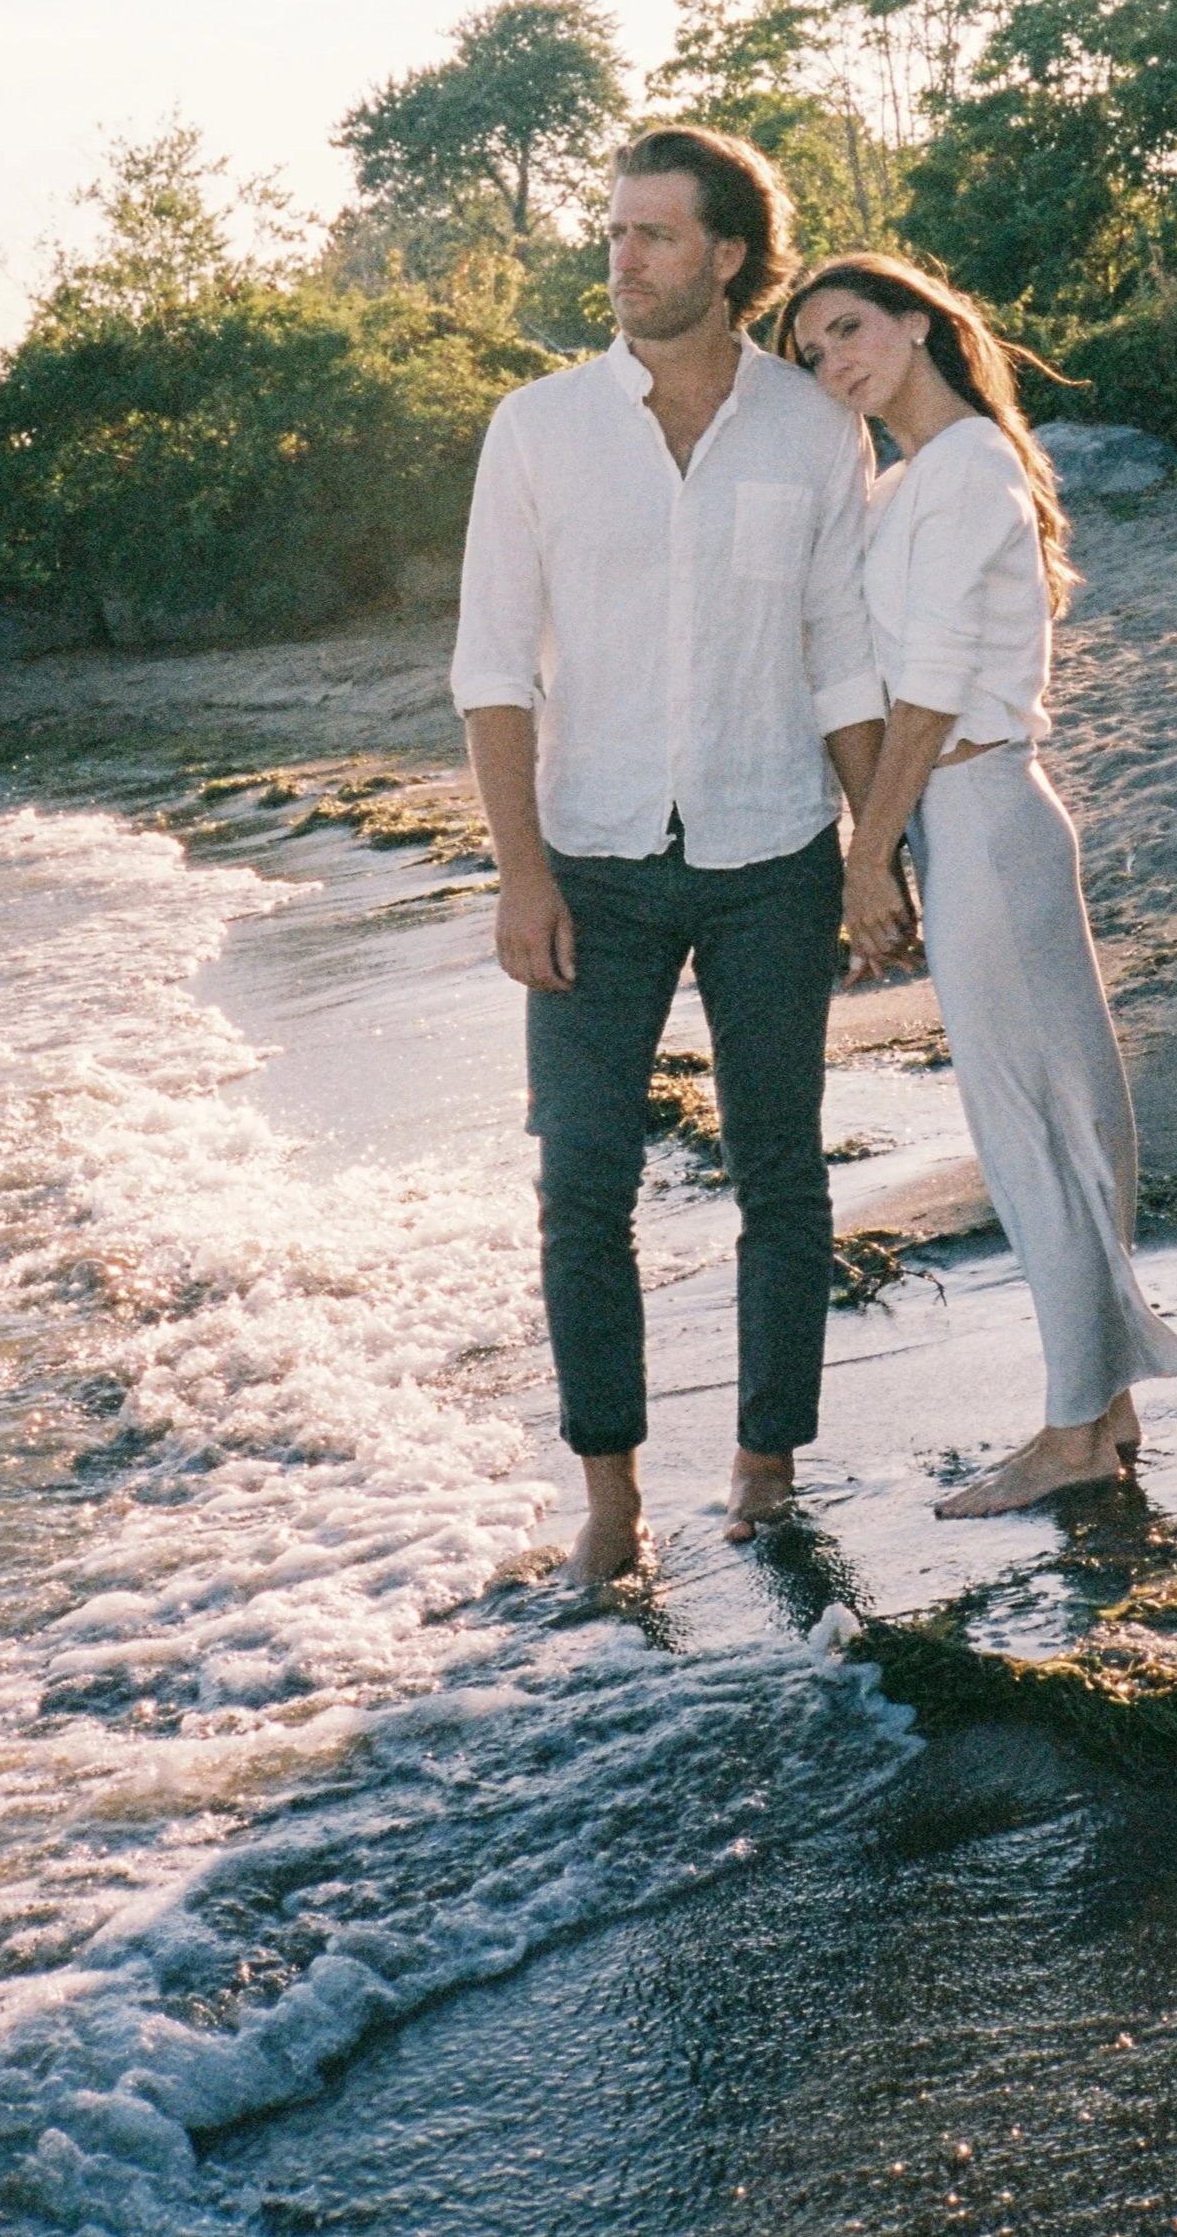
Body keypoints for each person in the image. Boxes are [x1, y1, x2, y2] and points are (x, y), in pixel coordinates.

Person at [453, 130, 886, 1582]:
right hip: (592, 861)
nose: (621, 259)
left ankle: (765, 1466)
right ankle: (613, 1498)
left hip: (774, 850)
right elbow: (493, 668)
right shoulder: (539, 427)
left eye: (652, 235)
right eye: (615, 232)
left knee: (783, 1174)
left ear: (727, 258)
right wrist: (521, 875)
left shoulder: (816, 432)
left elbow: (841, 659)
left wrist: (877, 853)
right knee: (581, 1184)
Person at [777, 254, 1177, 1514]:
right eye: (809, 351)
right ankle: (1100, 1400)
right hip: (962, 821)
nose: (832, 362)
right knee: (1047, 1110)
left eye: (848, 329)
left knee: (1036, 1118)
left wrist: (868, 856)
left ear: (916, 322)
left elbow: (934, 688)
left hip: (985, 807)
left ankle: (1074, 1428)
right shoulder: (907, 478)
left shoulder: (964, 467)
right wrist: (900, 845)